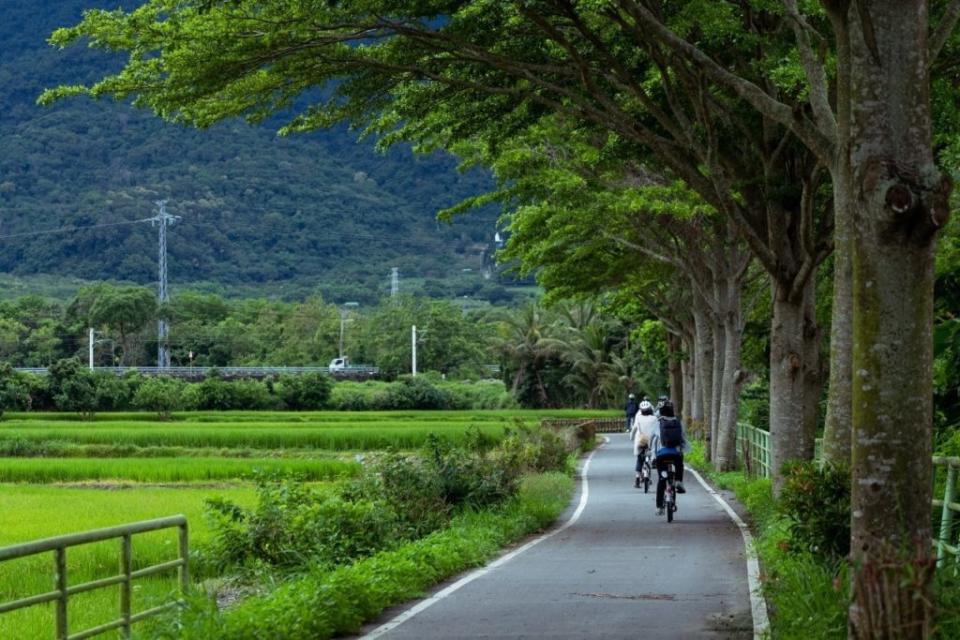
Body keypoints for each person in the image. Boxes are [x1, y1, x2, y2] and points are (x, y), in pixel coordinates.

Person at [652, 400, 687, 515]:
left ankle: (659, 507)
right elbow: (682, 439)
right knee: (679, 463)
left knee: (661, 480)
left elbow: (653, 440)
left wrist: (653, 455)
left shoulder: (658, 423)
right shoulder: (677, 422)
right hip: (675, 454)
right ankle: (678, 481)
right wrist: (681, 450)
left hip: (661, 455)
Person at [629, 400, 658, 488]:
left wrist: (631, 438)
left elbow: (634, 429)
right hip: (651, 441)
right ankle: (650, 470)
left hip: (641, 441)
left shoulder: (638, 418)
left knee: (639, 459)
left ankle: (637, 478)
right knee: (651, 457)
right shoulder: (654, 418)